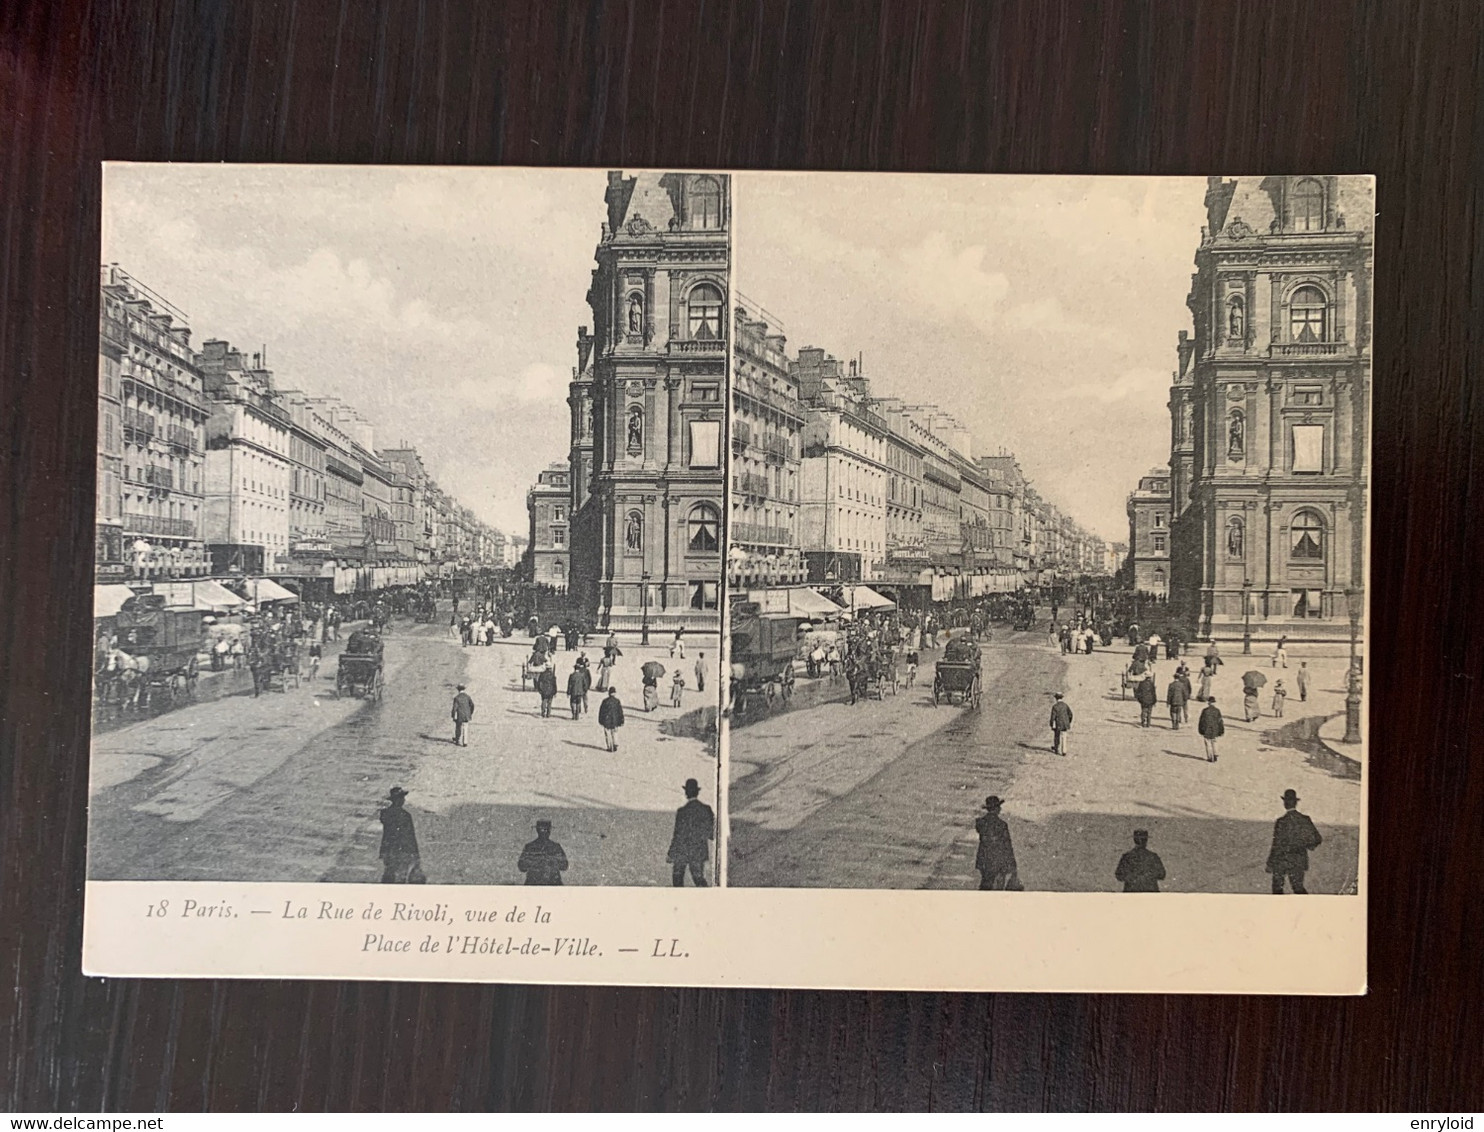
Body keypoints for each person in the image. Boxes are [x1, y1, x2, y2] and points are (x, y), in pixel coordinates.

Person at [1267, 789, 1322, 894]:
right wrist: (1307, 845)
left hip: (1281, 860)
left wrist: (1270, 863)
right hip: (1298, 859)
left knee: (1277, 890)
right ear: (1296, 803)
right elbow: (1317, 839)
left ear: (1284, 803)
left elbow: (1276, 845)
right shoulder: (1305, 819)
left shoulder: (1281, 822)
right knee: (1298, 889)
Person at [667, 778, 714, 887]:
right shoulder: (706, 809)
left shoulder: (682, 812)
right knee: (699, 880)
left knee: (677, 880)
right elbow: (712, 834)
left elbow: (677, 835)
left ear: (686, 793)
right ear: (697, 792)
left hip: (682, 851)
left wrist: (671, 853)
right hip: (698, 851)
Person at [974, 796, 1019, 890]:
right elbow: (1007, 846)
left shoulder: (981, 823)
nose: (1000, 809)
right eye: (999, 807)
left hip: (984, 860)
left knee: (985, 884)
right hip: (998, 860)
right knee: (998, 886)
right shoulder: (1002, 825)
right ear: (996, 808)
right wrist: (1012, 864)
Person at [378, 786, 420, 883]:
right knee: (401, 876)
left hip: (389, 849)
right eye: (402, 798)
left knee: (389, 874)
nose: (403, 800)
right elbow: (410, 836)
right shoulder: (405, 816)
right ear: (398, 800)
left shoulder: (385, 813)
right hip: (403, 850)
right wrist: (415, 853)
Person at [517, 820, 568, 885]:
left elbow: (564, 866)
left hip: (549, 883)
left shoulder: (555, 847)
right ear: (538, 831)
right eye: (542, 830)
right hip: (537, 884)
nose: (545, 833)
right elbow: (522, 867)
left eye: (546, 830)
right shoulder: (529, 847)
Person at [1198, 697, 1225, 762]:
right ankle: (1215, 753)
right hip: (1215, 729)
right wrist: (1221, 730)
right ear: (1214, 703)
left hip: (1206, 729)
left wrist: (1200, 729)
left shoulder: (1205, 711)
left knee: (1208, 743)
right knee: (1214, 741)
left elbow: (1201, 721)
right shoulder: (1217, 711)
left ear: (1208, 703)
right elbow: (1220, 721)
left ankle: (1210, 757)